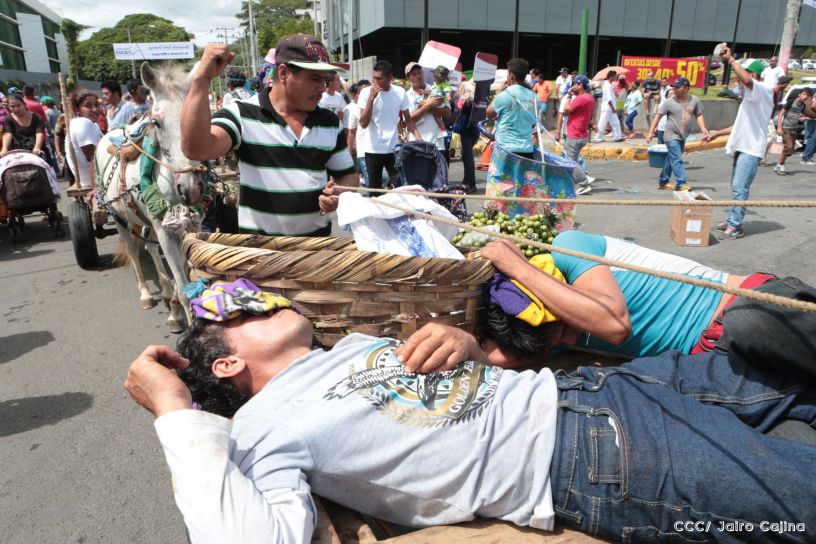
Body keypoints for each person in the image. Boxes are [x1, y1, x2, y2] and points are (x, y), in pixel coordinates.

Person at [125, 279, 816, 544]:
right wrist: (172, 410)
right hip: (592, 460)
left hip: (600, 389)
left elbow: (454, 400)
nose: (264, 298)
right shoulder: (259, 433)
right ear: (225, 363)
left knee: (767, 336)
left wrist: (468, 348)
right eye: (242, 308)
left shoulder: (353, 345)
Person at [478, 231, 816, 382]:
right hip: (713, 362)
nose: (569, 342)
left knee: (749, 323)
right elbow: (496, 357)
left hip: (739, 308)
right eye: (557, 346)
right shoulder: (544, 329)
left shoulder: (569, 247)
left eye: (564, 329)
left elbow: (614, 326)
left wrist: (516, 266)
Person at [181, 36, 356, 237]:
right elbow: (197, 148)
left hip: (315, 252)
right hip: (260, 254)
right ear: (283, 73)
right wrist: (202, 80)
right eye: (315, 78)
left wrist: (339, 194)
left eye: (325, 80)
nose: (322, 88)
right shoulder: (243, 115)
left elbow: (348, 175)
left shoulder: (330, 122)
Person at [702, 49, 790, 240]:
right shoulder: (751, 98)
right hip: (742, 147)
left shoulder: (762, 90)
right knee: (736, 186)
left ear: (752, 74)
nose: (738, 80)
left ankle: (735, 226)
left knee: (740, 188)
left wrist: (731, 59)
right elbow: (739, 125)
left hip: (751, 149)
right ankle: (732, 219)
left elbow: (748, 81)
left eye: (742, 75)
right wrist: (717, 133)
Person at [357, 60, 422, 191]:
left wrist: (418, 137)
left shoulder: (399, 92)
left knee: (399, 187)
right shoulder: (366, 92)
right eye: (373, 78)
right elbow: (363, 123)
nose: (374, 82)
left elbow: (408, 120)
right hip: (372, 149)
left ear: (390, 78)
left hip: (393, 148)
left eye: (378, 78)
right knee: (375, 191)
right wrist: (371, 99)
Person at [646, 77, 708, 191]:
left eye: (677, 87)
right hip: (671, 135)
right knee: (677, 158)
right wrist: (650, 132)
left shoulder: (695, 100)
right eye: (674, 87)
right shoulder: (669, 102)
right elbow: (658, 116)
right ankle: (681, 183)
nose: (674, 89)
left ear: (686, 88)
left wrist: (703, 128)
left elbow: (698, 114)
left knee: (671, 158)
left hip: (683, 135)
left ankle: (663, 181)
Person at [486, 58, 537, 158]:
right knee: (522, 174)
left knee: (503, 175)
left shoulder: (505, 94)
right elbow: (533, 123)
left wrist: (499, 92)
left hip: (506, 149)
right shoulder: (534, 96)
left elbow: (489, 113)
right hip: (527, 150)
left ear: (511, 76)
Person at [561, 76, 596, 194]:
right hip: (582, 134)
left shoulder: (580, 98)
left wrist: (569, 96)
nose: (573, 86)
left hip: (574, 134)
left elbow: (566, 109)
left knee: (570, 161)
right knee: (573, 159)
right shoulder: (590, 98)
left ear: (580, 85)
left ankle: (583, 183)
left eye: (575, 84)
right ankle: (574, 182)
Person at [404, 62, 447, 153]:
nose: (418, 76)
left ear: (423, 73)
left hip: (437, 143)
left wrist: (427, 107)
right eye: (414, 74)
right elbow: (409, 119)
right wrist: (428, 106)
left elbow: (447, 112)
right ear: (408, 78)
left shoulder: (436, 90)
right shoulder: (406, 95)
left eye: (419, 72)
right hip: (416, 143)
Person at [65, 89, 103, 190]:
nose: (95, 109)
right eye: (88, 106)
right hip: (96, 179)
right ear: (76, 109)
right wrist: (96, 189)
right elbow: (92, 158)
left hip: (93, 177)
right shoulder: (83, 123)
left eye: (96, 105)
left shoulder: (91, 124)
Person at [774, 87, 813, 175]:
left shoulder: (803, 106)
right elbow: (781, 114)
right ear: (799, 94)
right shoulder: (791, 102)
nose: (805, 97)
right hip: (786, 128)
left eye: (808, 95)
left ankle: (779, 164)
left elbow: (800, 115)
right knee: (789, 146)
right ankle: (780, 165)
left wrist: (804, 118)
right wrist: (779, 127)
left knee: (789, 150)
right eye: (804, 94)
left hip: (794, 129)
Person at [345, 80, 371, 187]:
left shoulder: (379, 103)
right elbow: (351, 130)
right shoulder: (352, 109)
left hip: (380, 149)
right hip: (362, 150)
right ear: (356, 94)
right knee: (370, 180)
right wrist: (350, 148)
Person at [453, 80, 478, 192]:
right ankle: (466, 181)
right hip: (475, 130)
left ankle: (471, 184)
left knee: (468, 157)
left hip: (466, 131)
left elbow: (459, 114)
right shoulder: (477, 101)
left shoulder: (466, 101)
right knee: (466, 156)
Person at [593, 71, 623, 143]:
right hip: (608, 107)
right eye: (615, 76)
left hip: (611, 108)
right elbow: (609, 99)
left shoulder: (609, 84)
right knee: (602, 122)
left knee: (615, 122)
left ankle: (617, 137)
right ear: (611, 77)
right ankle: (598, 137)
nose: (616, 77)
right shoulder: (607, 85)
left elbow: (611, 97)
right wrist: (613, 108)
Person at [802, 92, 816, 166]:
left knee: (812, 138)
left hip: (812, 119)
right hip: (813, 120)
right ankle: (806, 158)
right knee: (813, 139)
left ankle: (806, 156)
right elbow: (814, 106)